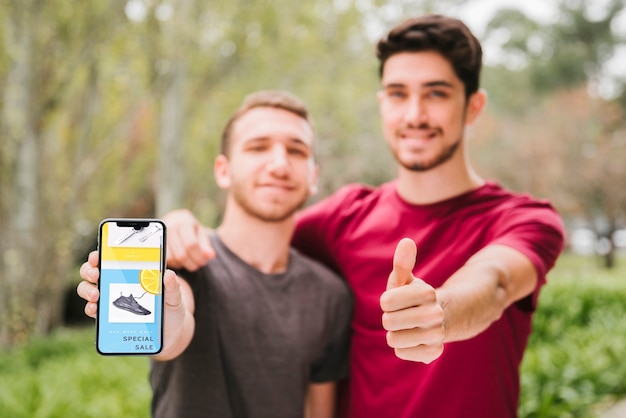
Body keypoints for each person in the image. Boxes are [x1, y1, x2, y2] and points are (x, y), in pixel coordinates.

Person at [162, 14, 565, 418]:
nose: (414, 114)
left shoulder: (524, 219)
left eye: (437, 94)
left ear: (473, 106)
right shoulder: (343, 219)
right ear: (382, 103)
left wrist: (440, 312)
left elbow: (495, 283)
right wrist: (181, 225)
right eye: (397, 93)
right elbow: (249, 238)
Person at [77, 90, 353, 418]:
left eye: (296, 150)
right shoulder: (182, 260)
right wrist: (162, 321)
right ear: (223, 170)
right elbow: (174, 330)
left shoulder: (330, 295)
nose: (279, 164)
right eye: (258, 147)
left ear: (313, 177)